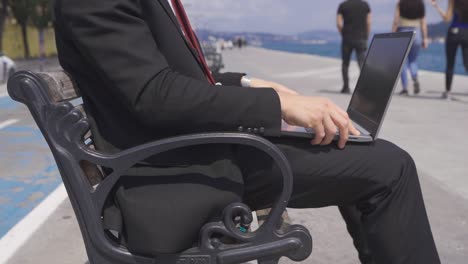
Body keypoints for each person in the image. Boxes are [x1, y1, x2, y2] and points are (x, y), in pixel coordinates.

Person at [54, 0, 441, 263]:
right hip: (175, 172)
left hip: (188, 152)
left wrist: (247, 81)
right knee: (391, 167)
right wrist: (278, 105)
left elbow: (162, 81)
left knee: (354, 148)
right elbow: (154, 95)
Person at [432, 0, 468, 99]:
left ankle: (448, 92)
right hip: (467, 34)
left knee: (450, 64)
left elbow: (447, 18)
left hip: (454, 32)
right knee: (467, 63)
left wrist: (436, 7)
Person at [392, 0, 429, 96]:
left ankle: (405, 88)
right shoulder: (420, 3)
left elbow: (396, 21)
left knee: (403, 62)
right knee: (413, 60)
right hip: (416, 33)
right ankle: (414, 76)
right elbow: (423, 22)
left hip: (403, 32)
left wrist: (392, 35)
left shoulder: (401, 3)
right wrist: (425, 38)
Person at [337, 0, 372, 94]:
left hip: (347, 38)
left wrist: (343, 34)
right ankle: (365, 88)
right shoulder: (365, 5)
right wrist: (366, 36)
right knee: (362, 63)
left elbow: (339, 23)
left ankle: (346, 87)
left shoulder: (343, 5)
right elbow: (368, 22)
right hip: (361, 37)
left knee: (345, 64)